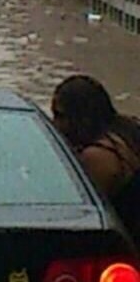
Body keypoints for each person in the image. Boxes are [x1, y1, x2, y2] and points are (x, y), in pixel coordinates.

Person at [51, 75, 140, 242]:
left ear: (82, 117)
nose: (54, 124)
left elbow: (78, 217)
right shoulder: (129, 131)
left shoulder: (97, 157)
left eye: (60, 116)